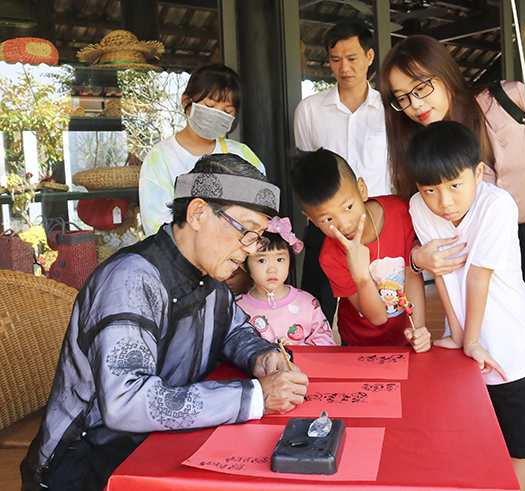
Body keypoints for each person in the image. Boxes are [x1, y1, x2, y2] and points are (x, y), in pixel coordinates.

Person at [378, 35, 525, 491]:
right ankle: (505, 451)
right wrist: (417, 258)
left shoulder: (509, 98)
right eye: (402, 98)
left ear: (444, 74)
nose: (414, 104)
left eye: (421, 87)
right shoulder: (419, 146)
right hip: (489, 246)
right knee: (507, 345)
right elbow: (418, 227)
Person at [21, 154, 309, 491]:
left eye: (257, 237)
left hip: (159, 443)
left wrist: (262, 356)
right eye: (245, 231)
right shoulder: (130, 280)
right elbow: (125, 402)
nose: (248, 250)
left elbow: (234, 330)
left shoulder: (209, 274)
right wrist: (253, 397)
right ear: (198, 213)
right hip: (88, 465)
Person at [406, 121, 525, 491]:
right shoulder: (420, 207)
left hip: (512, 352)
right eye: (431, 189)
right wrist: (459, 336)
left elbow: (476, 277)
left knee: (517, 452)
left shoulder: (497, 204)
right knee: (471, 446)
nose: (444, 202)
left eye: (454, 185)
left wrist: (471, 341)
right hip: (468, 350)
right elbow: (447, 276)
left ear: (478, 173)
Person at [293, 21, 390, 325]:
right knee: (316, 305)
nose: (344, 67)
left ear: (370, 56)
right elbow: (308, 169)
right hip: (328, 225)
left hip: (377, 223)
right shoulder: (310, 109)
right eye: (336, 60)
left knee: (379, 304)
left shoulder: (390, 109)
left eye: (352, 58)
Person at [139, 63, 264, 295]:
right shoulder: (161, 157)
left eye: (227, 111)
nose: (217, 115)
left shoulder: (243, 155)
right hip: (183, 280)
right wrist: (208, 265)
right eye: (209, 106)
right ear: (187, 102)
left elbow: (260, 217)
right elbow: (157, 224)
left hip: (239, 276)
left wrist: (239, 269)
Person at [289, 148, 430, 352]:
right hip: (357, 342)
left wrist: (418, 328)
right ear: (311, 220)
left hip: (406, 336)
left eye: (348, 207)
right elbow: (378, 318)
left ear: (362, 190)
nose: (344, 225)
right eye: (328, 219)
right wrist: (361, 276)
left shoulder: (400, 212)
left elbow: (411, 273)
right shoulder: (330, 257)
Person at [237, 217, 336, 346]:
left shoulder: (308, 303)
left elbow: (326, 343)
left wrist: (296, 350)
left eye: (280, 259)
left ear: (290, 261)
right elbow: (230, 349)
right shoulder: (238, 309)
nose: (272, 270)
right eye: (262, 260)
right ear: (245, 264)